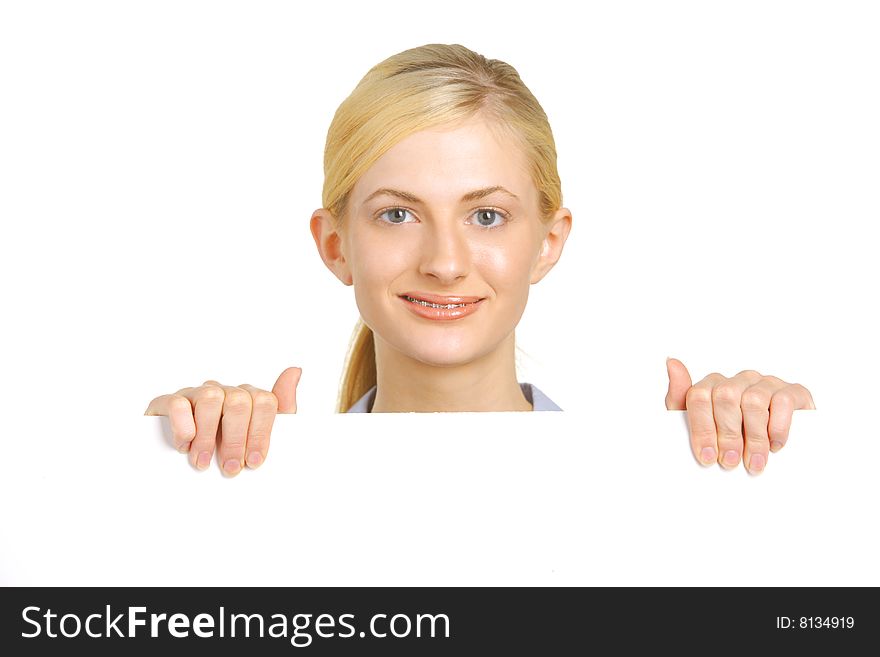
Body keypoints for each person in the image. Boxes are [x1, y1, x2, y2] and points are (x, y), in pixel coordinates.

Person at [144, 44, 815, 477]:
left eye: (486, 214)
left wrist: (773, 464)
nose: (444, 261)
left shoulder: (653, 481)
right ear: (335, 244)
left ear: (547, 242)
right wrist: (169, 476)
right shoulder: (254, 482)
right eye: (397, 213)